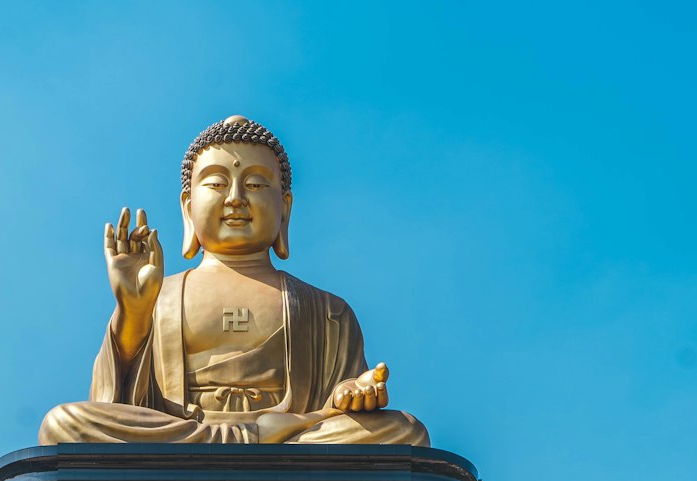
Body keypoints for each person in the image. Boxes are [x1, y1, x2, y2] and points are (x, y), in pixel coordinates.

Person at [39, 115, 429, 447]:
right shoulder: (161, 297)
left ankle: (262, 442)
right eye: (216, 184)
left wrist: (354, 393)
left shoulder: (327, 311)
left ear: (285, 208)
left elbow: (342, 398)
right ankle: (252, 444)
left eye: (257, 184)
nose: (236, 198)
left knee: (404, 431)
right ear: (188, 209)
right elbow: (112, 400)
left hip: (295, 440)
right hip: (185, 436)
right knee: (65, 425)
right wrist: (133, 312)